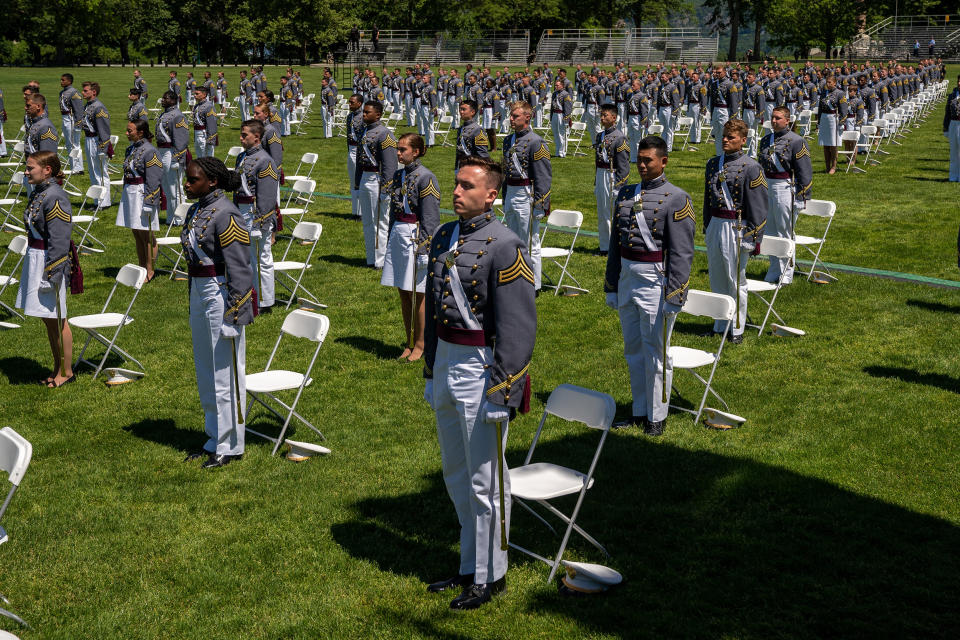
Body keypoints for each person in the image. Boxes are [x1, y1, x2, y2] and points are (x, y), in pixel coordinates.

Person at [423, 156, 536, 610]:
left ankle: (493, 574)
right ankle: (470, 564)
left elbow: (518, 325)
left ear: (491, 194)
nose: (455, 191)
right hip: (448, 356)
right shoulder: (446, 236)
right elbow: (434, 311)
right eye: (455, 184)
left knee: (485, 478)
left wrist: (503, 387)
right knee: (455, 471)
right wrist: (431, 368)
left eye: (466, 186)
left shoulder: (506, 243)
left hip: (480, 363)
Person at [604, 135, 695, 435]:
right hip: (629, 275)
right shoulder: (626, 194)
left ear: (663, 161)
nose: (641, 166)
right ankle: (639, 409)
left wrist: (675, 292)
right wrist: (612, 284)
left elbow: (682, 251)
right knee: (633, 348)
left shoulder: (676, 198)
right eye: (639, 160)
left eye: (648, 161)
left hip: (656, 279)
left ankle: (657, 414)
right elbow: (617, 245)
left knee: (656, 351)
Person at [181, 157, 255, 469]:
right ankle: (213, 437)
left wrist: (236, 312)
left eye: (193, 180)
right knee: (206, 368)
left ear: (212, 181)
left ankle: (231, 443)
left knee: (226, 371)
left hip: (221, 292)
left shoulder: (228, 214)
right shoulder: (195, 209)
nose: (187, 184)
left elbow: (240, 266)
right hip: (200, 289)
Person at [703, 119, 767, 344]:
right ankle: (720, 323)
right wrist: (707, 224)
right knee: (717, 276)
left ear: (743, 140)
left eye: (731, 138)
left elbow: (758, 206)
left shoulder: (751, 166)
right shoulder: (713, 164)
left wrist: (753, 236)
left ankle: (737, 327)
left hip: (737, 228)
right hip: (716, 223)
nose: (725, 140)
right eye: (724, 136)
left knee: (735, 279)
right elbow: (707, 198)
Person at [16, 151, 75, 388]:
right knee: (47, 317)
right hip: (35, 256)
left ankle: (67, 370)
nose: (26, 171)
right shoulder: (41, 192)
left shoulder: (55, 196)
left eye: (31, 168)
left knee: (58, 318)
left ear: (47, 170)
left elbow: (60, 240)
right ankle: (57, 367)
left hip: (48, 261)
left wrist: (52, 271)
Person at [380, 133, 440, 362]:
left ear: (416, 151)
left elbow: (430, 217)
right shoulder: (399, 175)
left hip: (416, 236)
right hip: (399, 232)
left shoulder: (426, 177)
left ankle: (421, 343)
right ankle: (409, 340)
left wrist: (426, 248)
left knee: (420, 294)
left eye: (403, 149)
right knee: (403, 292)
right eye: (397, 148)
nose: (398, 153)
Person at [758, 106, 812, 284]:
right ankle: (774, 270)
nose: (774, 121)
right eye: (772, 117)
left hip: (784, 187)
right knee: (770, 231)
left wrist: (801, 196)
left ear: (787, 120)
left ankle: (786, 273)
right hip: (767, 186)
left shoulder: (797, 141)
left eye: (778, 118)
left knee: (784, 231)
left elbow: (804, 171)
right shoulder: (766, 140)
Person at [502, 101, 551, 290]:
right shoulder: (509, 140)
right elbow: (506, 170)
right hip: (511, 191)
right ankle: (517, 277)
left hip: (526, 194)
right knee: (512, 238)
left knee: (530, 240)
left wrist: (540, 203)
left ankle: (534, 283)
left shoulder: (536, 141)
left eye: (516, 116)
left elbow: (543, 176)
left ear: (527, 117)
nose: (511, 120)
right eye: (511, 116)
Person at [233, 119, 279, 312]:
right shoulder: (242, 157)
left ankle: (264, 301)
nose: (241, 138)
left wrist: (262, 221)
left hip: (256, 214)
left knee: (261, 257)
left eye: (245, 135)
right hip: (242, 210)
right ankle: (251, 295)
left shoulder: (265, 161)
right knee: (247, 256)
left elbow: (267, 196)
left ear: (257, 138)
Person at [115, 119, 163, 281]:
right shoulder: (131, 149)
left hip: (142, 194)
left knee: (147, 234)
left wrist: (150, 201)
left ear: (140, 132)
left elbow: (154, 179)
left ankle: (150, 271)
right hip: (130, 193)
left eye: (130, 131)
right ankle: (142, 267)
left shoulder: (150, 151)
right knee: (136, 232)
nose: (127, 133)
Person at [355, 100, 398, 268]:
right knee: (367, 221)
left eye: (367, 112)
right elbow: (360, 160)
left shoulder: (385, 134)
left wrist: (386, 189)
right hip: (366, 177)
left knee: (380, 221)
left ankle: (381, 261)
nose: (364, 114)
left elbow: (389, 165)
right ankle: (370, 258)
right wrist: (358, 183)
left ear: (378, 115)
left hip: (377, 179)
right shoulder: (364, 131)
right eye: (364, 112)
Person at [594, 104, 630, 256]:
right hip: (601, 173)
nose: (602, 118)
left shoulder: (620, 137)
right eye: (601, 115)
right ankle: (604, 246)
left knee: (613, 213)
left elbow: (623, 164)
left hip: (612, 174)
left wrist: (619, 185)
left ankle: (616, 246)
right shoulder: (599, 136)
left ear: (614, 118)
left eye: (605, 115)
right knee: (602, 212)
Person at [155, 90, 190, 220]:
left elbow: (181, 140)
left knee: (175, 187)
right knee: (166, 185)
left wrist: (177, 158)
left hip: (172, 153)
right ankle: (171, 217)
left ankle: (180, 217)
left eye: (165, 98)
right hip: (163, 152)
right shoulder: (165, 114)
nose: (162, 100)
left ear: (173, 100)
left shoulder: (177, 116)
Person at [80, 81, 112, 207]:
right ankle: (97, 200)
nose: (83, 92)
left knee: (101, 172)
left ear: (93, 92)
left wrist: (103, 148)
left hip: (96, 141)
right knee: (93, 171)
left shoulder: (99, 107)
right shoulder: (88, 106)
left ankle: (104, 202)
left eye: (86, 90)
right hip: (89, 139)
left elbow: (104, 130)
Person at [817, 75, 847, 174]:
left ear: (835, 83)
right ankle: (827, 166)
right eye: (827, 82)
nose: (828, 84)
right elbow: (820, 108)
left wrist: (842, 121)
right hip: (824, 118)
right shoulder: (823, 93)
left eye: (830, 82)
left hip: (833, 119)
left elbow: (843, 109)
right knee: (825, 144)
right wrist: (819, 121)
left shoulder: (840, 93)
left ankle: (833, 166)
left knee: (833, 144)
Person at [58, 74, 84, 174]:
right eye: (61, 80)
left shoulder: (74, 93)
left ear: (69, 81)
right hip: (65, 118)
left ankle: (78, 168)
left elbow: (78, 109)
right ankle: (74, 166)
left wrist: (78, 124)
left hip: (71, 118)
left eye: (63, 80)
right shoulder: (62, 92)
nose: (61, 81)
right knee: (69, 143)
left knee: (75, 144)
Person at [455, 99, 490, 173]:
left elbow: (482, 154)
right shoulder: (461, 128)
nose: (461, 112)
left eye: (464, 109)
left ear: (472, 112)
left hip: (471, 168)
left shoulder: (478, 130)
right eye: (460, 109)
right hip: (460, 166)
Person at [346, 94, 364, 219]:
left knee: (361, 180)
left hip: (360, 149)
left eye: (352, 102)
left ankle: (362, 211)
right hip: (351, 149)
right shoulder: (349, 117)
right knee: (353, 181)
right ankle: (355, 211)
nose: (350, 104)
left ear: (359, 103)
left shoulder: (363, 117)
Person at [192, 86, 218, 158]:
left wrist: (210, 139)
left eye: (197, 94)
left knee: (207, 157)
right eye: (195, 94)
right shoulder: (197, 106)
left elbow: (212, 124)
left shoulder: (209, 106)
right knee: (199, 156)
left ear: (204, 95)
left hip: (204, 134)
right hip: (197, 133)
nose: (195, 95)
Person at [550, 79, 573, 158]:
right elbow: (552, 106)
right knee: (556, 134)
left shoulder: (566, 94)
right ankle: (557, 151)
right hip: (555, 114)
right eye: (555, 85)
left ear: (562, 86)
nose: (556, 86)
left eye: (558, 85)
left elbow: (568, 107)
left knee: (562, 134)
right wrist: (551, 116)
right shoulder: (554, 94)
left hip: (561, 115)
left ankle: (562, 152)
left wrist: (566, 119)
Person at [944, 75, 960, 182]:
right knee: (954, 152)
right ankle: (953, 176)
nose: (959, 83)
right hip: (953, 123)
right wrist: (946, 127)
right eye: (959, 81)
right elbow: (947, 112)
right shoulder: (952, 95)